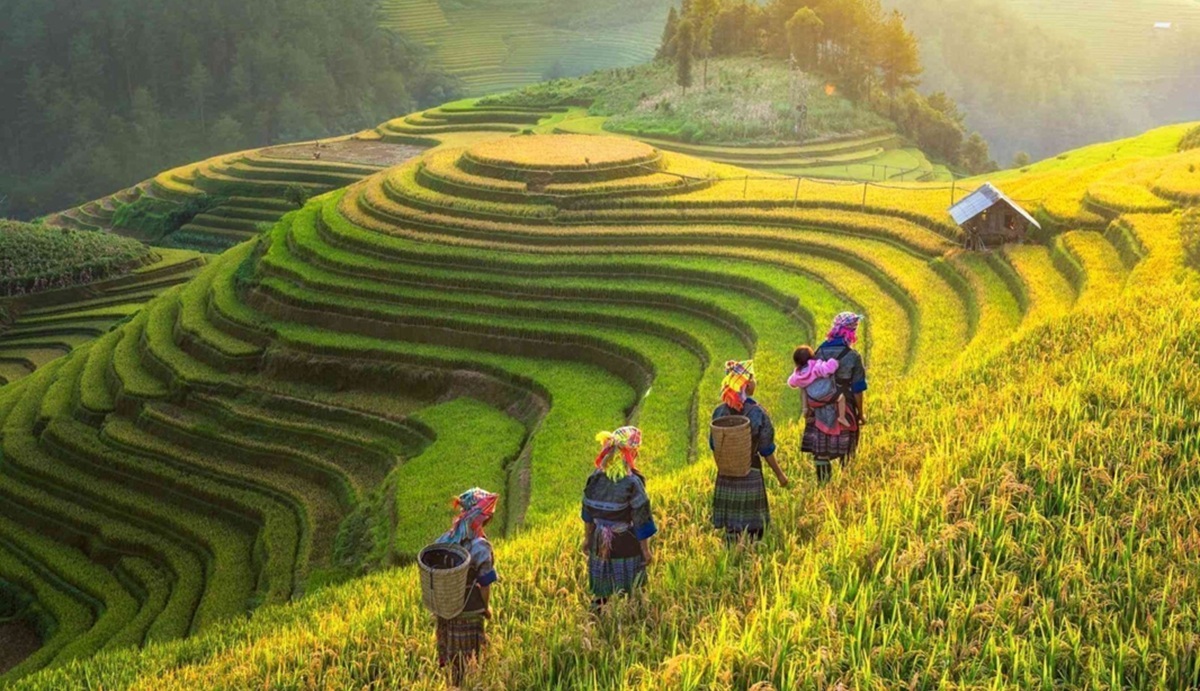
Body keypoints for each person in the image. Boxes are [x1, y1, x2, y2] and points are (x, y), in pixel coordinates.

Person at [710, 360, 790, 541]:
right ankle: (751, 562)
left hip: (725, 475)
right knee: (755, 529)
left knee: (731, 527)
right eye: (753, 379)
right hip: (750, 471)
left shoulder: (719, 413)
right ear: (746, 383)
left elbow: (713, 445)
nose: (755, 382)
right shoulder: (757, 413)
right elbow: (766, 449)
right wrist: (780, 475)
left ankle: (732, 557)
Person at [582, 426, 657, 609]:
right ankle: (631, 618)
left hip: (599, 539)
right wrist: (645, 550)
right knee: (632, 587)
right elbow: (641, 518)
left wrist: (587, 539)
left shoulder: (595, 478)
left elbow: (587, 514)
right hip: (625, 540)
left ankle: (597, 614)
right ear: (631, 452)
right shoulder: (632, 482)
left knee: (602, 586)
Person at [434, 488, 499, 685]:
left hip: (446, 612)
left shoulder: (445, 540)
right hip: (470, 612)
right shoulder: (480, 546)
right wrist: (486, 608)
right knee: (471, 667)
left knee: (455, 668)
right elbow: (485, 583)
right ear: (481, 518)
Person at [803, 312, 869, 483]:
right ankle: (845, 487)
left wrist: (808, 407)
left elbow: (807, 379)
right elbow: (858, 389)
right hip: (844, 406)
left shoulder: (818, 351)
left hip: (820, 406)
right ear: (851, 332)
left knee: (821, 450)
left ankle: (823, 487)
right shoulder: (853, 357)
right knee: (847, 449)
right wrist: (860, 413)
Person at [788, 345, 852, 429]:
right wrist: (834, 362)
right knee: (841, 397)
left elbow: (791, 383)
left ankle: (809, 416)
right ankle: (842, 417)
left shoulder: (798, 375)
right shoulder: (816, 366)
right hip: (828, 394)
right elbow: (829, 369)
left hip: (813, 400)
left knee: (804, 390)